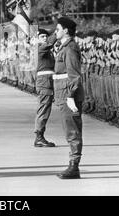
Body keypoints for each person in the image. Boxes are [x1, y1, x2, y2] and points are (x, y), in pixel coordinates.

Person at [52, 17, 84, 179]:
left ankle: (74, 166)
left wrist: (71, 96)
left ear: (65, 31)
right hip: (63, 93)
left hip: (68, 94)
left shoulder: (70, 48)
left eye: (57, 29)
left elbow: (74, 75)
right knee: (69, 130)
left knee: (73, 131)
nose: (55, 32)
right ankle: (73, 164)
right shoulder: (65, 46)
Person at [34, 28, 56, 147]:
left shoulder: (46, 50)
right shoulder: (40, 48)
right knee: (43, 109)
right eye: (42, 36)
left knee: (45, 108)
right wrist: (59, 30)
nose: (45, 38)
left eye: (46, 36)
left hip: (48, 81)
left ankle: (40, 135)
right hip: (44, 82)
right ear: (37, 38)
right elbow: (51, 42)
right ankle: (39, 136)